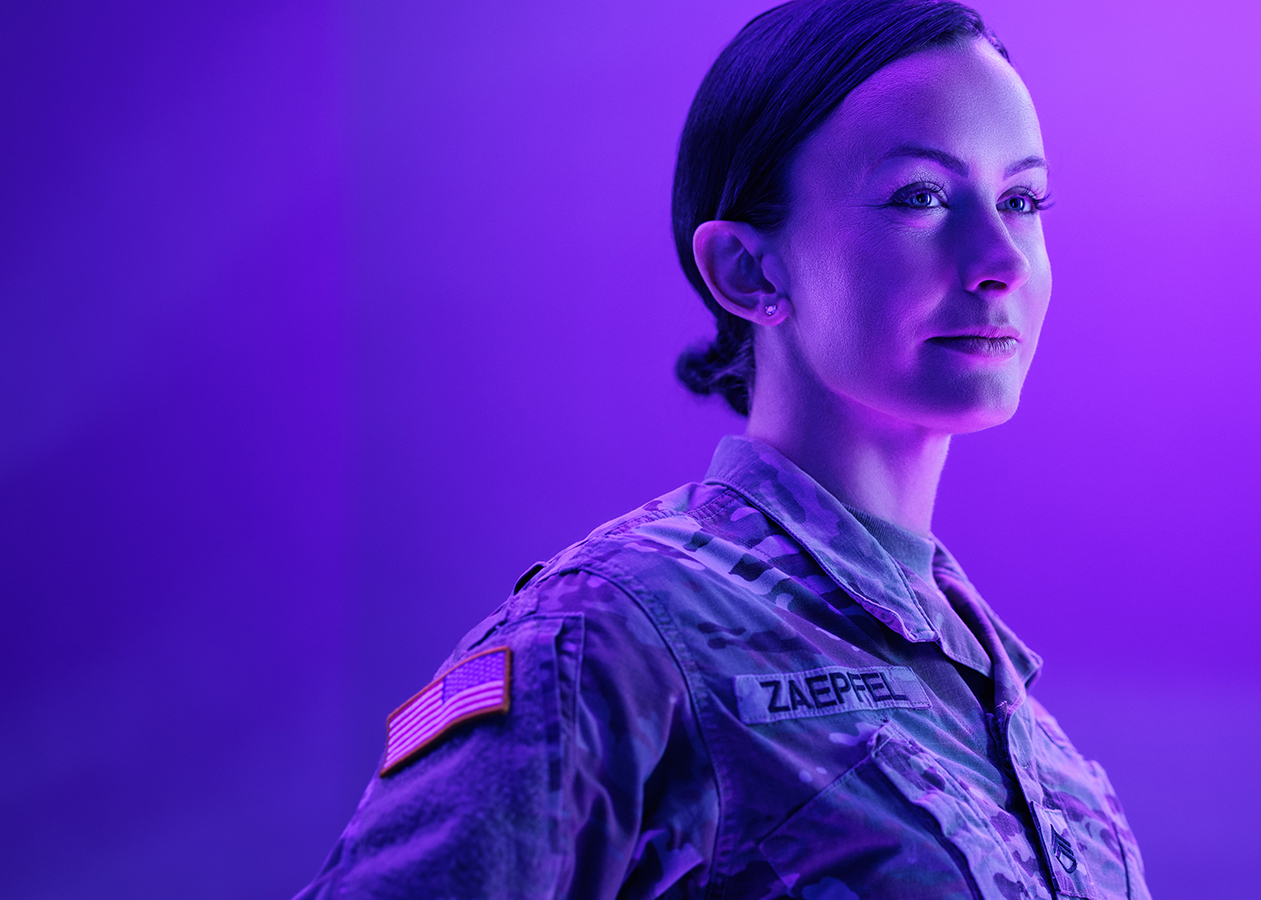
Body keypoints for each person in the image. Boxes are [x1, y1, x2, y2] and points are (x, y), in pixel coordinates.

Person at [295, 1, 1148, 897]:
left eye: (1022, 199)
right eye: (920, 197)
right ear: (748, 269)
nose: (1000, 256)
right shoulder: (611, 638)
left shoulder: (1044, 756)